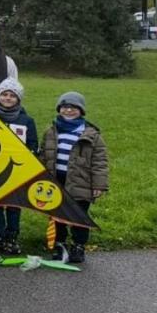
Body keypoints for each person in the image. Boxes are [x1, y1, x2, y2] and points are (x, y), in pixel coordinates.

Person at [41, 91, 107, 265]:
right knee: (57, 215)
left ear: (81, 111)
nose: (68, 110)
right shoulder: (50, 131)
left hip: (81, 183)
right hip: (56, 181)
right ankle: (59, 244)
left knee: (79, 217)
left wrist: (98, 185)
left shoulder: (91, 135)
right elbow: (43, 156)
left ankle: (78, 246)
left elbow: (100, 162)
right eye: (64, 106)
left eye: (73, 107)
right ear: (59, 109)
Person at [0, 77, 37, 254]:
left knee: (14, 206)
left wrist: (29, 157)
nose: (7, 98)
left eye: (12, 96)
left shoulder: (26, 120)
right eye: (4, 94)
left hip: (16, 171)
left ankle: (12, 237)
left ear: (18, 99)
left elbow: (32, 144)